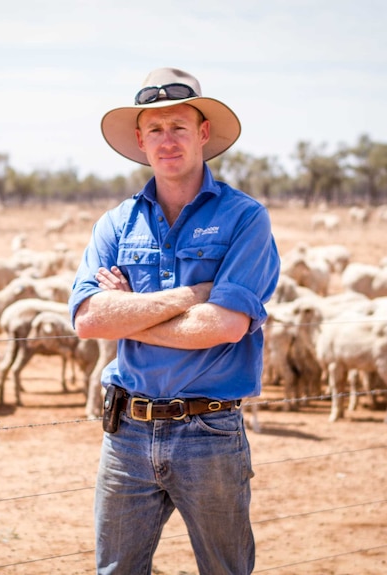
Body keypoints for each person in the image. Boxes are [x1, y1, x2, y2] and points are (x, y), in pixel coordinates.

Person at [69, 67, 280, 574]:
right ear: (140, 140)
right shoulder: (117, 222)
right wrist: (191, 295)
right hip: (127, 432)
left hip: (209, 430)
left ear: (203, 133)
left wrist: (130, 316)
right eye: (156, 130)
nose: (168, 141)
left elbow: (225, 327)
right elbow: (88, 319)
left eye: (179, 127)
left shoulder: (244, 219)